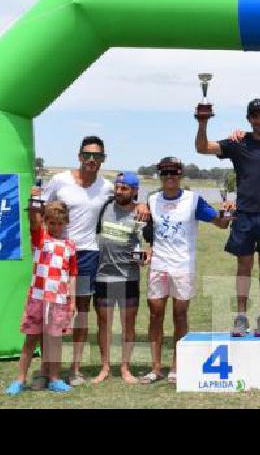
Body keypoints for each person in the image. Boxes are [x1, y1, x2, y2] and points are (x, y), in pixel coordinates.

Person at [41, 136, 148, 386]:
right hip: (58, 254)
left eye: (97, 156)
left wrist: (143, 203)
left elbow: (128, 198)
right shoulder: (60, 180)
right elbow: (43, 211)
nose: (92, 160)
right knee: (51, 310)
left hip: (88, 256)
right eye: (87, 155)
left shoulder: (108, 187)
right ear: (79, 156)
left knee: (80, 312)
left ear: (103, 160)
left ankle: (75, 369)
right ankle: (47, 368)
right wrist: (44, 246)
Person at [196, 98, 260, 337]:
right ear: (248, 119)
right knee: (244, 266)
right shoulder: (239, 142)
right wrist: (203, 122)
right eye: (254, 116)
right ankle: (241, 317)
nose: (258, 120)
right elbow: (203, 148)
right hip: (244, 215)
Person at [140, 157, 233, 384]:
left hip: (183, 267)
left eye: (174, 173)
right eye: (165, 173)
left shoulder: (193, 200)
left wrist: (228, 211)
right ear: (159, 176)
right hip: (159, 266)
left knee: (180, 315)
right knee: (155, 315)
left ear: (181, 175)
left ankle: (176, 367)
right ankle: (155, 368)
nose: (169, 177)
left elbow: (220, 223)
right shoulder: (152, 200)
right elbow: (147, 231)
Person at [5, 200, 76, 395]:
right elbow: (33, 223)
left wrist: (73, 301)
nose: (56, 227)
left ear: (66, 223)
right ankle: (20, 380)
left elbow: (72, 275)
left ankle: (54, 378)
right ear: (45, 222)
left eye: (60, 223)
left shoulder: (70, 246)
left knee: (54, 341)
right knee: (30, 340)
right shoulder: (40, 239)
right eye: (51, 222)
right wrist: (34, 202)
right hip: (38, 298)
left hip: (59, 300)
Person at [92, 172, 151, 384]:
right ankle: (105, 367)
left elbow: (150, 243)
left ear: (135, 191)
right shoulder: (105, 205)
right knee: (104, 325)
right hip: (103, 275)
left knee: (128, 325)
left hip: (128, 277)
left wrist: (147, 256)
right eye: (117, 187)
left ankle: (125, 368)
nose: (119, 191)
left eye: (125, 188)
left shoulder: (142, 214)